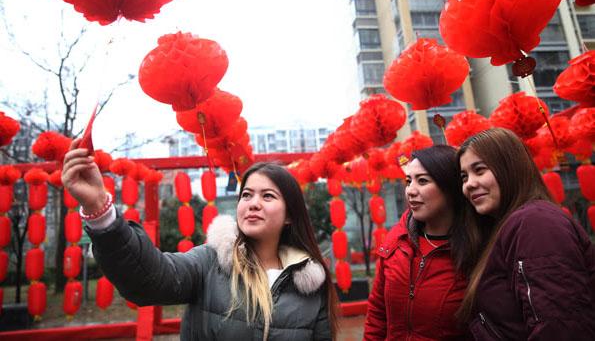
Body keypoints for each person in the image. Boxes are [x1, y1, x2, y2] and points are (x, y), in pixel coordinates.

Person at [62, 139, 338, 340]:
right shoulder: (210, 262)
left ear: (290, 215)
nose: (253, 203)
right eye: (246, 195)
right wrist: (100, 209)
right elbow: (147, 279)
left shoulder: (311, 283)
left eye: (268, 196)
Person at [458, 127, 595, 340]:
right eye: (464, 176)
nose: (469, 184)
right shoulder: (508, 225)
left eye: (480, 170)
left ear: (510, 167)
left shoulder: (536, 222)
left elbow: (558, 326)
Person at [364, 145, 484, 340]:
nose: (410, 191)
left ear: (450, 186)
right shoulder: (397, 240)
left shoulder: (479, 249)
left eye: (422, 181)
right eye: (408, 181)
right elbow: (377, 314)